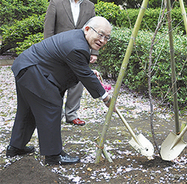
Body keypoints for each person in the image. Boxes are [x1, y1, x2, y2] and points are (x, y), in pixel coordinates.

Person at [6, 16, 113, 165]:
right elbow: (84, 74)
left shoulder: (78, 39)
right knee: (51, 107)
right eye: (100, 34)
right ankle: (53, 155)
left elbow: (77, 67)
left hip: (25, 66)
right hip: (33, 71)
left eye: (107, 37)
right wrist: (106, 98)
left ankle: (15, 147)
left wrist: (87, 72)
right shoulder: (79, 46)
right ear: (87, 29)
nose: (102, 40)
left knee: (27, 110)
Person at [44, 0, 96, 126]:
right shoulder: (55, 3)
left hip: (80, 52)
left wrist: (94, 52)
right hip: (58, 51)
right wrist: (48, 49)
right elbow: (49, 29)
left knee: (77, 84)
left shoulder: (89, 6)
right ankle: (56, 114)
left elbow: (94, 30)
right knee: (57, 82)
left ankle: (72, 114)